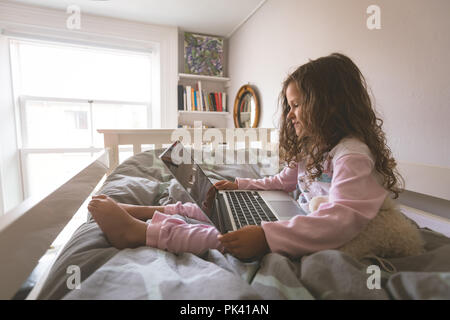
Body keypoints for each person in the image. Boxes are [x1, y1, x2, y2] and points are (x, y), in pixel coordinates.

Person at [88, 53, 403, 261]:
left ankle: (142, 233)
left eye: (296, 105)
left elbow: (341, 219)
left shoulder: (352, 155)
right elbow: (281, 182)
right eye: (289, 107)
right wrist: (239, 184)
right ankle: (149, 210)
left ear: (329, 104)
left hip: (316, 226)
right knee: (218, 204)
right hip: (297, 213)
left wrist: (267, 236)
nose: (290, 115)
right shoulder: (314, 147)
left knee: (225, 235)